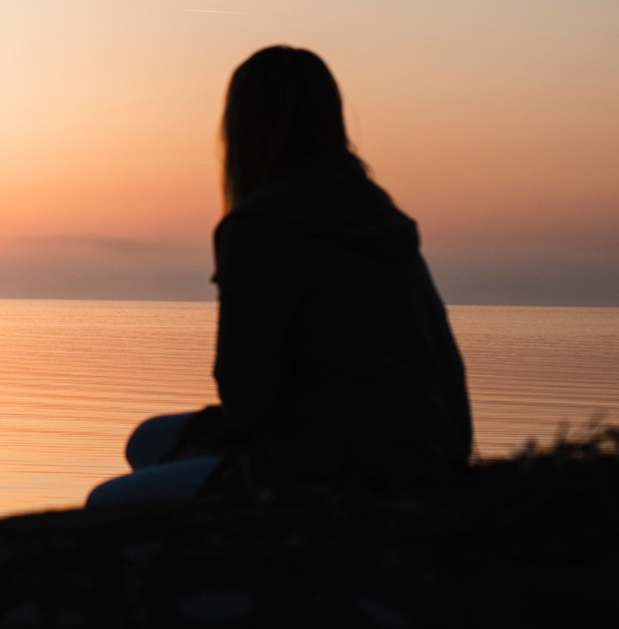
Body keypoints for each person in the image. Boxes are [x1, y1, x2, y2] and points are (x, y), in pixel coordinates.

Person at [88, 46, 472, 506]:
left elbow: (249, 404)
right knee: (149, 440)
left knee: (107, 504)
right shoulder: (378, 216)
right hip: (430, 447)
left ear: (242, 128)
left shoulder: (259, 226)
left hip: (339, 466)